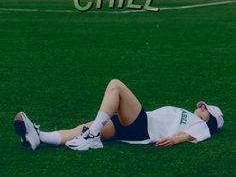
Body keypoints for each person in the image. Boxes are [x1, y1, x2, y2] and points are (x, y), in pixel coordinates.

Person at [14, 79, 224, 151]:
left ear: (209, 118)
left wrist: (176, 139)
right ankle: (38, 137)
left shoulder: (201, 125)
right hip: (135, 127)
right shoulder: (192, 116)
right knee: (81, 129)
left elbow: (193, 135)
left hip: (143, 127)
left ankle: (93, 137)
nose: (201, 108)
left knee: (116, 85)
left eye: (206, 109)